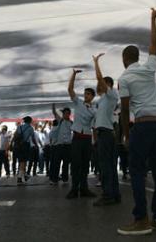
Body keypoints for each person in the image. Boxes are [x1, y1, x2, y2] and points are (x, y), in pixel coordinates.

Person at [117, 8, 156, 236]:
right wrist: (153, 20)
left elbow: (125, 108)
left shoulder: (124, 78)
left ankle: (141, 220)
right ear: (138, 58)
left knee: (137, 171)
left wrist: (127, 135)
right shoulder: (149, 67)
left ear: (124, 60)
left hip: (143, 125)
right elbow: (154, 44)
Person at [92, 53, 121, 206]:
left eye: (102, 83)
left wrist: (96, 63)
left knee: (105, 165)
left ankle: (108, 195)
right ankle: (114, 194)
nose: (99, 85)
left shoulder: (112, 94)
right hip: (105, 133)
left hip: (106, 134)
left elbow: (99, 79)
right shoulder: (103, 99)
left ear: (107, 84)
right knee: (109, 165)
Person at [66, 68, 96, 199]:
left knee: (85, 165)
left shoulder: (95, 110)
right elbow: (70, 90)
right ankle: (74, 189)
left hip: (87, 139)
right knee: (76, 164)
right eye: (85, 93)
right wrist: (73, 75)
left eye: (88, 94)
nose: (86, 95)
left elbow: (95, 125)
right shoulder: (78, 103)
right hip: (77, 137)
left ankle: (84, 189)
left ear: (92, 97)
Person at [50, 105, 73, 185]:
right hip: (59, 146)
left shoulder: (71, 123)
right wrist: (53, 106)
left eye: (66, 113)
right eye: (64, 113)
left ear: (69, 114)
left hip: (67, 146)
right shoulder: (60, 121)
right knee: (57, 163)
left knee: (66, 163)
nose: (65, 115)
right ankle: (55, 179)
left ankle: (65, 178)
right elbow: (54, 113)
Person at [13, 116, 36, 185]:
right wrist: (36, 145)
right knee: (23, 162)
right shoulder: (30, 128)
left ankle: (24, 176)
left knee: (22, 161)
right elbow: (33, 138)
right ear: (30, 121)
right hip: (25, 145)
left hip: (17, 146)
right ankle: (19, 178)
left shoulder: (19, 127)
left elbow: (15, 135)